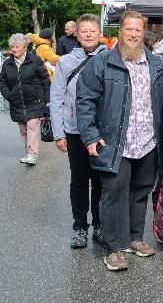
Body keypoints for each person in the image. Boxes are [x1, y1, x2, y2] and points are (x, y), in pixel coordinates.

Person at [76, 10, 163, 272]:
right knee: (114, 194)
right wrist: (91, 135)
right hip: (116, 142)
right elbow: (85, 100)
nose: (134, 34)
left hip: (148, 142)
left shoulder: (156, 65)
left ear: (143, 33)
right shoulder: (103, 62)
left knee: (140, 192)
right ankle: (114, 248)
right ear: (120, 32)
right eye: (129, 29)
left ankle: (134, 238)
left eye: (138, 30)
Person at [50, 14, 106, 248]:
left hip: (102, 130)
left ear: (99, 32)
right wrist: (59, 133)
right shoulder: (65, 62)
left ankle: (100, 225)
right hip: (74, 130)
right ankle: (80, 227)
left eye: (92, 30)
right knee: (79, 180)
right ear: (77, 34)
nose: (89, 35)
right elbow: (56, 98)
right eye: (84, 31)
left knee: (102, 180)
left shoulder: (109, 58)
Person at [0, 33, 50, 166]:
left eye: (17, 47)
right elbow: (2, 82)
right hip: (17, 102)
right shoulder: (7, 63)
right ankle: (29, 152)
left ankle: (32, 154)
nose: (14, 49)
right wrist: (9, 95)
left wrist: (47, 99)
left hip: (35, 101)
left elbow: (45, 80)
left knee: (32, 126)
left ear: (24, 47)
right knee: (23, 130)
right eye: (12, 47)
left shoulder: (35, 60)